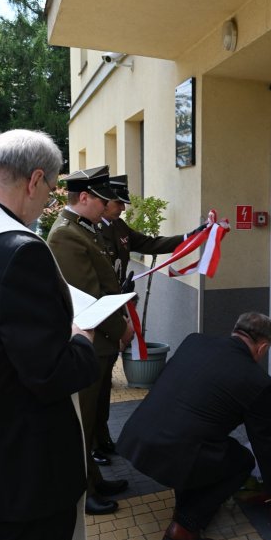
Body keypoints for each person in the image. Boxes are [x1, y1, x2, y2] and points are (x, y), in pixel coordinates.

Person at [0, 129, 99, 540]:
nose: (47, 202)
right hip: (21, 479)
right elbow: (48, 373)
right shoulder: (19, 252)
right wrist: (82, 341)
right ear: (36, 180)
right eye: (51, 190)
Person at [117, 312, 271, 540]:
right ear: (262, 347)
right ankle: (185, 527)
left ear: (236, 330)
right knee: (242, 460)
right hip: (174, 453)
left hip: (137, 438)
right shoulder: (256, 380)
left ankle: (184, 507)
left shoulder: (194, 341)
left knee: (201, 443)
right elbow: (263, 442)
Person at [93, 173, 206, 462]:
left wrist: (190, 237)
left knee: (105, 381)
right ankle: (93, 445)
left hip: (116, 307)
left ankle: (102, 437)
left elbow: (149, 244)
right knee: (96, 382)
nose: (123, 208)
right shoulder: (90, 231)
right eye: (119, 203)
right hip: (99, 314)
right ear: (104, 203)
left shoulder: (117, 226)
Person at [47, 167, 134, 516]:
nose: (108, 207)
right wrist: (121, 329)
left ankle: (95, 479)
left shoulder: (86, 229)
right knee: (82, 423)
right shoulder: (66, 235)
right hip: (92, 341)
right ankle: (84, 493)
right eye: (102, 200)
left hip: (102, 339)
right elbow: (90, 298)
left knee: (91, 415)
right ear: (83, 198)